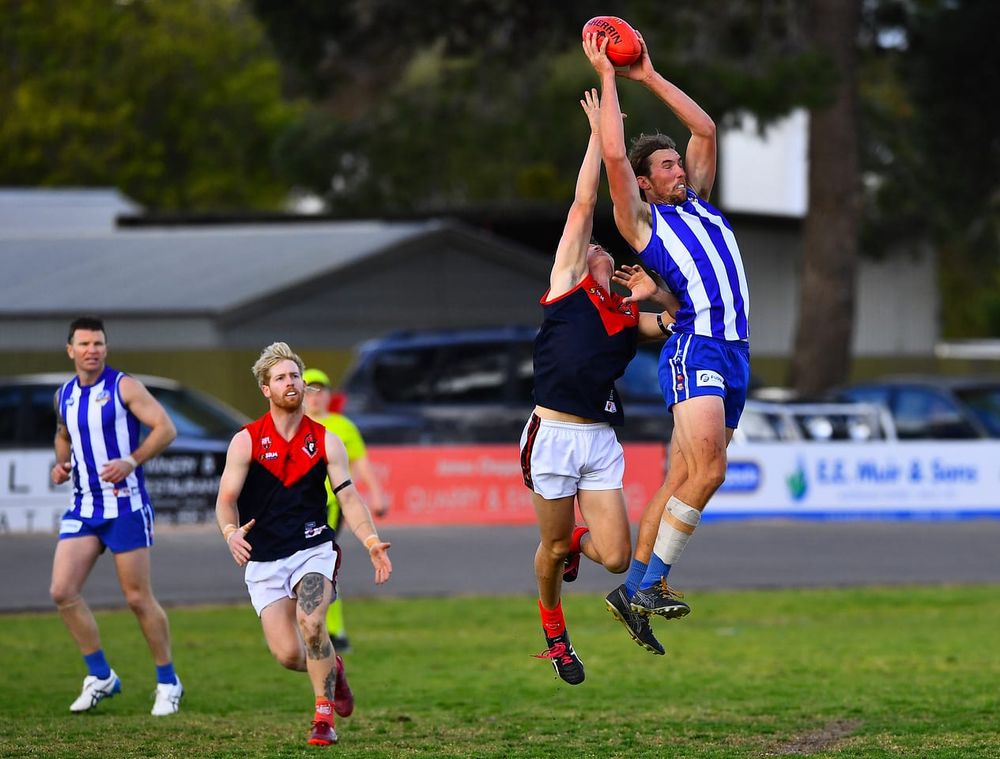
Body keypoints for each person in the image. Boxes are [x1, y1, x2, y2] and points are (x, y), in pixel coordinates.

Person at [583, 31, 751, 652]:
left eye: (678, 163)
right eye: (666, 167)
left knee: (684, 473)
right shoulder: (646, 222)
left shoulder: (699, 202)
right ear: (647, 186)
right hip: (696, 348)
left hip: (736, 351)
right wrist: (606, 80)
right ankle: (650, 583)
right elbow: (616, 164)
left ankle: (633, 593)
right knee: (708, 470)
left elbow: (705, 129)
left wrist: (648, 74)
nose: (678, 169)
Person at [520, 88, 679, 685]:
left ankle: (571, 540)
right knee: (553, 551)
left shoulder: (623, 313)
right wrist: (599, 133)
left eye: (598, 248)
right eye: (587, 245)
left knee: (612, 557)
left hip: (599, 441)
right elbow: (586, 200)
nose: (592, 246)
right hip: (553, 435)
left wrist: (654, 292)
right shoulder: (565, 284)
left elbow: (673, 316)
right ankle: (555, 636)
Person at [215, 342, 392, 746]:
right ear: (266, 389)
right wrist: (231, 533)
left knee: (313, 623)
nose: (291, 383)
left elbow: (348, 496)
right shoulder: (246, 441)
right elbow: (225, 502)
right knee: (290, 655)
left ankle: (323, 719)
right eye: (280, 378)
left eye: (295, 375)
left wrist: (370, 540)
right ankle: (336, 669)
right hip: (264, 561)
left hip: (312, 550)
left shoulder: (327, 440)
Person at [49, 315, 184, 715]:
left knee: (138, 599)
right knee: (62, 591)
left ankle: (167, 681)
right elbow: (63, 434)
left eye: (99, 344)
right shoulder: (64, 395)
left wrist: (131, 460)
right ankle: (101, 675)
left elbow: (165, 427)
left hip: (125, 506)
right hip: (84, 507)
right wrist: (61, 465)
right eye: (85, 344)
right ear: (70, 350)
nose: (93, 351)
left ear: (106, 348)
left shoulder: (123, 386)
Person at [302, 366, 387, 653]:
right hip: (293, 506)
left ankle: (334, 631)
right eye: (309, 389)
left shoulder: (342, 426)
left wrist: (377, 497)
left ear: (329, 395)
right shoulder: (292, 425)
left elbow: (361, 463)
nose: (315, 396)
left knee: (321, 565)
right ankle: (296, 628)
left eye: (320, 390)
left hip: (328, 506)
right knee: (292, 567)